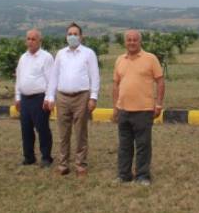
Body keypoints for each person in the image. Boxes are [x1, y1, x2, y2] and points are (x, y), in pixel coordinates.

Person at [45, 22, 100, 177]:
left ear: (81, 36)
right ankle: (63, 164)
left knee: (80, 132)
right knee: (63, 132)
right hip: (62, 96)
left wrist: (93, 97)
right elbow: (54, 76)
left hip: (81, 96)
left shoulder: (88, 53)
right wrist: (50, 96)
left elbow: (94, 76)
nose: (72, 36)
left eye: (75, 34)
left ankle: (80, 164)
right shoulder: (61, 54)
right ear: (66, 36)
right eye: (70, 34)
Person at [112, 30, 165, 185]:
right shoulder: (119, 60)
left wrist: (159, 103)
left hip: (144, 110)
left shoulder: (150, 59)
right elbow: (115, 84)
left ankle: (142, 176)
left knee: (143, 145)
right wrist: (116, 106)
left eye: (135, 40)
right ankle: (124, 174)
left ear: (140, 42)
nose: (132, 42)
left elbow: (160, 82)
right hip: (123, 110)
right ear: (125, 42)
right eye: (129, 40)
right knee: (124, 145)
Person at [15, 29, 54, 168]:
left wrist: (49, 98)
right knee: (25, 129)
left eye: (33, 39)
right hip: (25, 99)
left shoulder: (46, 57)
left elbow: (51, 80)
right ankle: (29, 157)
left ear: (39, 41)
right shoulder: (23, 57)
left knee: (42, 129)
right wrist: (17, 97)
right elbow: (19, 78)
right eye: (28, 39)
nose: (30, 41)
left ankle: (46, 157)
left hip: (40, 98)